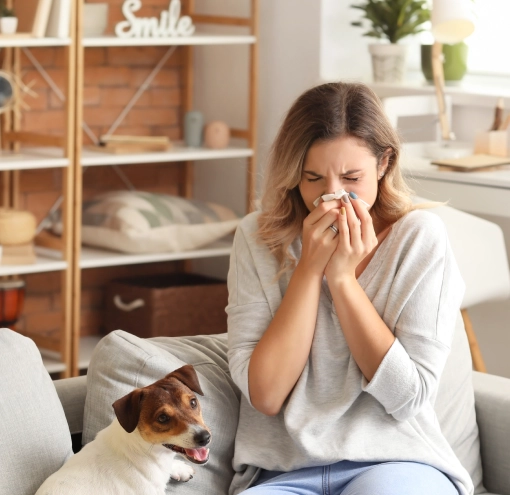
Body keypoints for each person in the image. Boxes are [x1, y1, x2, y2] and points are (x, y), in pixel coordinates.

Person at [226, 82, 474, 495]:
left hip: (397, 462)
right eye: (312, 178)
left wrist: (342, 280)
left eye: (351, 177)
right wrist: (309, 270)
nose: (332, 195)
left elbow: (407, 397)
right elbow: (265, 395)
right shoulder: (256, 237)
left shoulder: (418, 239)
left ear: (384, 163)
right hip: (282, 473)